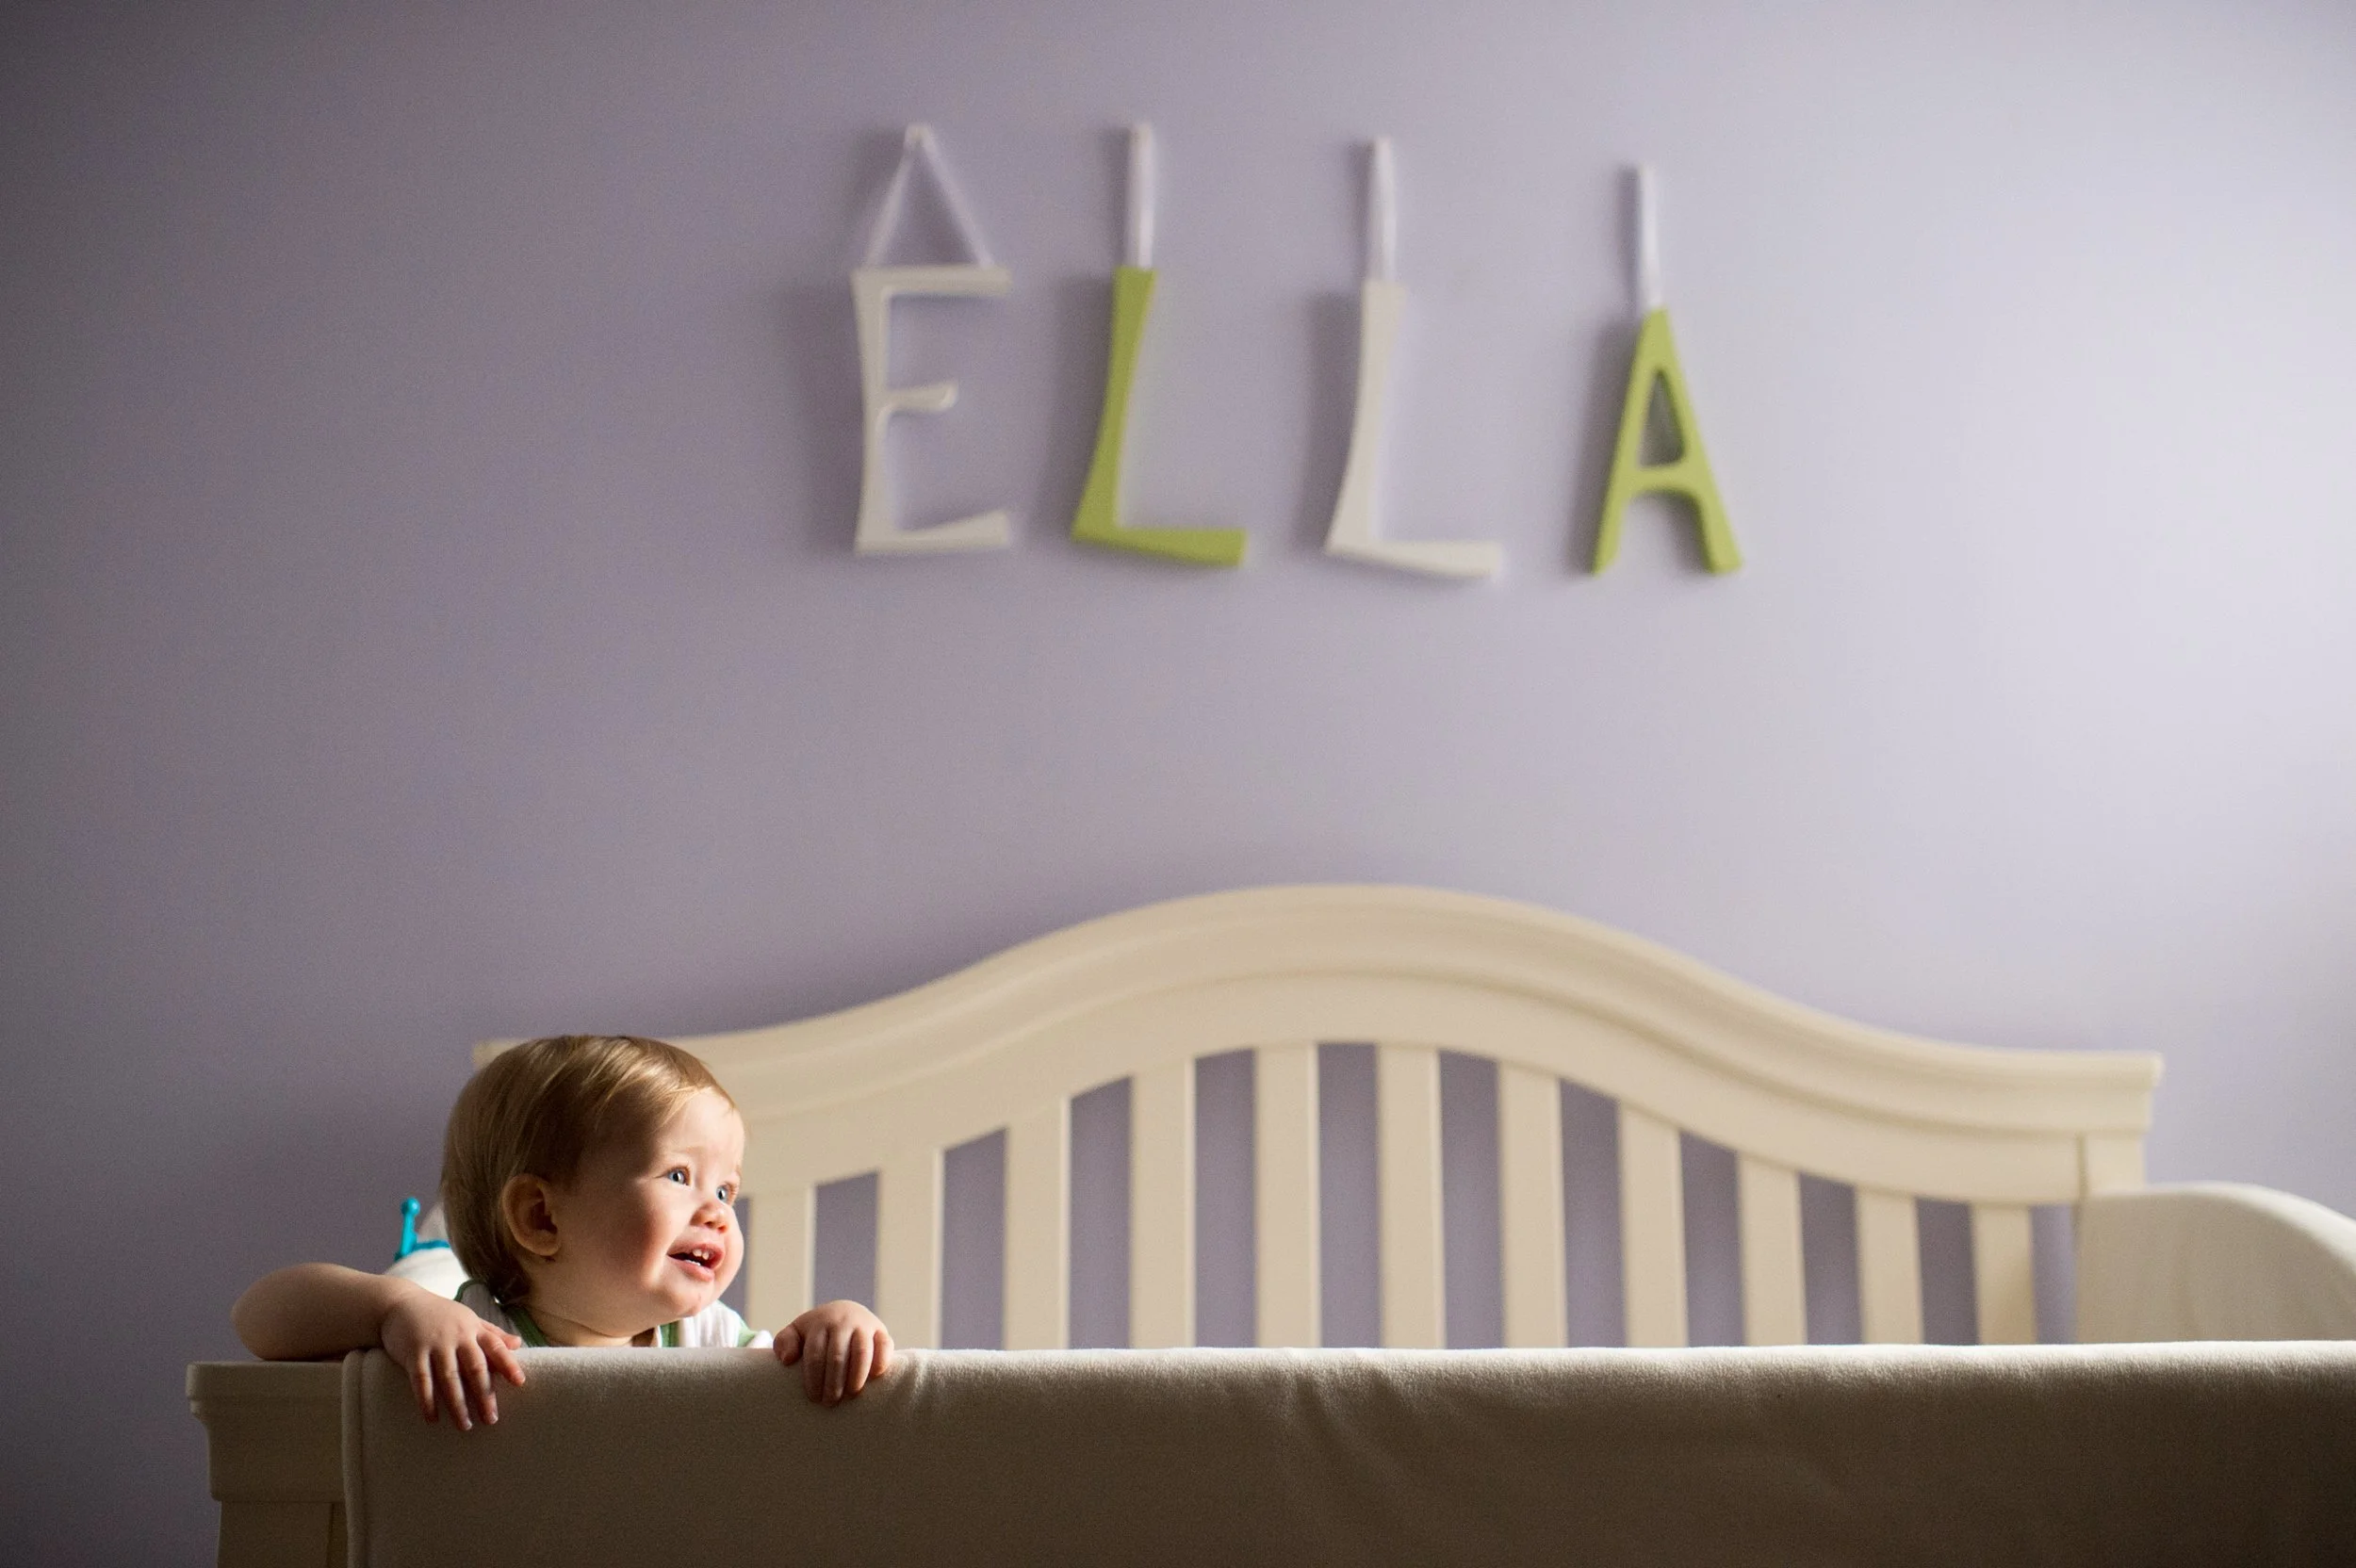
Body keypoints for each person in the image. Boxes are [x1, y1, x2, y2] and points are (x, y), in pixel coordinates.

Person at [234, 1035, 892, 1429]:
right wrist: (395, 1308)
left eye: (726, 1190)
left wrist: (839, 1325)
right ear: (542, 1218)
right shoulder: (482, 1334)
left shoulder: (709, 1341)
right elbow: (258, 1318)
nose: (717, 1212)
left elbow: (798, 1390)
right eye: (678, 1177)